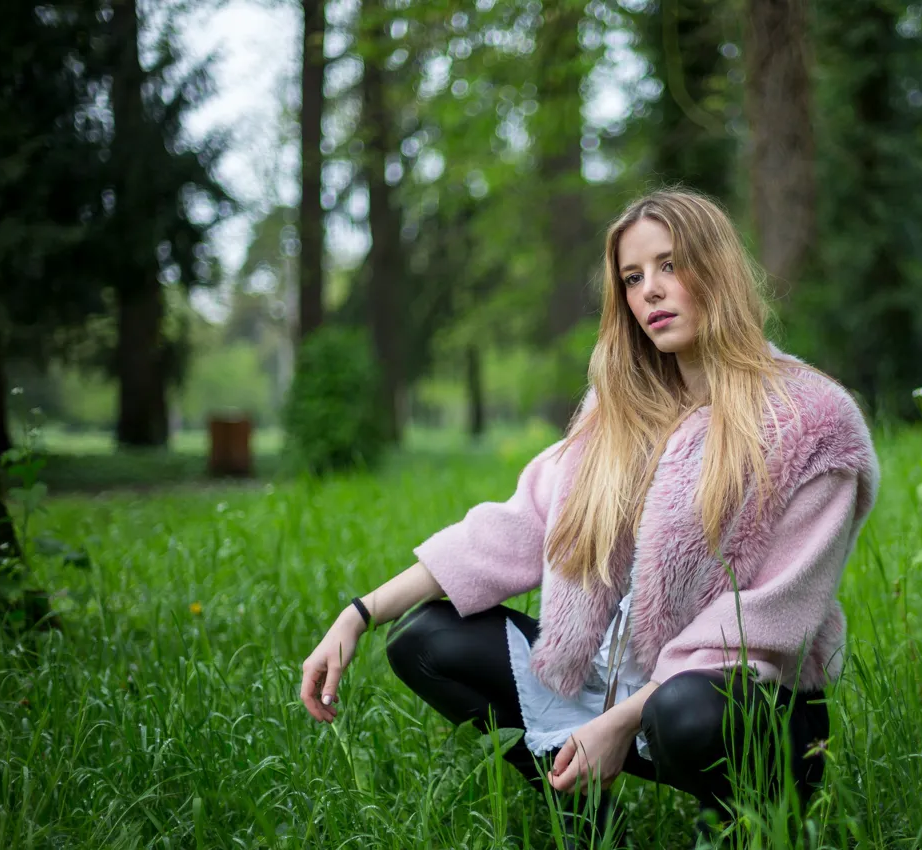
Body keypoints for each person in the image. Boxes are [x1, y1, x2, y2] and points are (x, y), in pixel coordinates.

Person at [299, 188, 880, 848]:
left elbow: (761, 626)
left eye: (669, 265)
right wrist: (358, 614)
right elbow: (516, 527)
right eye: (633, 279)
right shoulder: (620, 413)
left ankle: (740, 829)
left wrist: (623, 721)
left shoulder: (812, 424)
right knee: (424, 639)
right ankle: (585, 820)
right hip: (615, 690)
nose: (651, 292)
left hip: (746, 717)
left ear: (718, 270)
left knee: (683, 709)